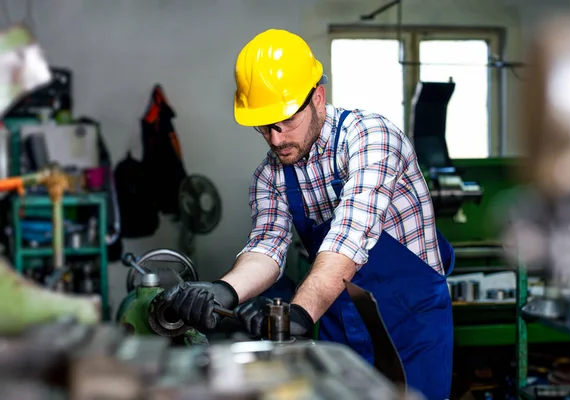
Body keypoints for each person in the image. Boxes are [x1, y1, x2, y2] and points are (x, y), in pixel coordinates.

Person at [167, 28, 455, 400]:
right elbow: (267, 248)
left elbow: (350, 235)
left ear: (317, 98)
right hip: (336, 321)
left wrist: (298, 314)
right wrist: (225, 290)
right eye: (264, 125)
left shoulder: (371, 137)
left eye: (285, 120)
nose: (275, 138)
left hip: (411, 325)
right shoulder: (270, 176)